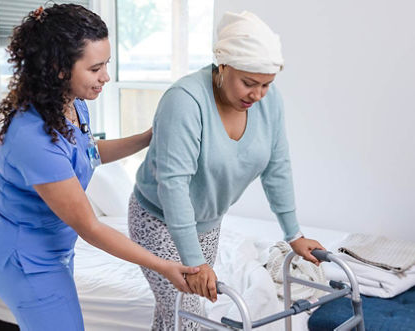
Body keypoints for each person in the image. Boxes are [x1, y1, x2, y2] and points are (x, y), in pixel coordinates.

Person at [0, 5, 198, 330]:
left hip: (55, 248)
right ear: (59, 68)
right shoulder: (32, 136)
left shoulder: (72, 104)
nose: (106, 76)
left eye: (106, 64)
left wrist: (149, 137)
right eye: (96, 68)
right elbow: (91, 227)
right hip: (22, 257)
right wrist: (164, 266)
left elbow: (89, 153)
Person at [128, 11, 327, 330]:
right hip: (159, 221)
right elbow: (174, 185)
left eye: (266, 84)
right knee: (190, 317)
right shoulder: (185, 101)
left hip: (209, 223)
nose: (258, 94)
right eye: (249, 83)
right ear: (223, 65)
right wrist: (195, 261)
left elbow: (277, 167)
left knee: (173, 315)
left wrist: (294, 234)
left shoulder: (268, 101)